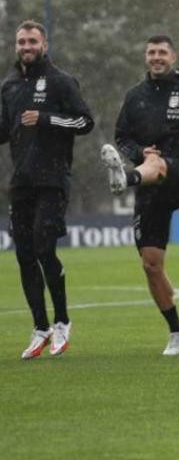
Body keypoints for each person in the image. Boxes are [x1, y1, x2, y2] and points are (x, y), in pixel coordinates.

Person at [100, 35, 179, 356]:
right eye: (151, 52)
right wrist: (136, 151)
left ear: (173, 56)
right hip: (151, 185)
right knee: (151, 264)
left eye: (162, 52)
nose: (156, 57)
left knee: (155, 162)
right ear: (146, 57)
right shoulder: (135, 97)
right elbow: (122, 136)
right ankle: (176, 331)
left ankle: (125, 179)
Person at [1, 20, 94, 359]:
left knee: (43, 248)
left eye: (32, 42)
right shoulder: (9, 85)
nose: (26, 47)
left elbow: (85, 122)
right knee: (24, 255)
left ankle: (62, 322)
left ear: (45, 44)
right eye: (21, 42)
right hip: (21, 182)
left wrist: (45, 118)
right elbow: (5, 129)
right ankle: (40, 328)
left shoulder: (61, 81)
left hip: (53, 179)